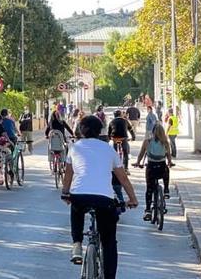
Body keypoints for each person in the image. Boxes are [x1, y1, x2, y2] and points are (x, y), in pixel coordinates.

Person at [62, 116, 138, 279]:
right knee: (109, 241)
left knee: (76, 209)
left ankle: (76, 244)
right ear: (100, 131)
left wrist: (65, 192)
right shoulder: (108, 149)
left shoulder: (74, 147)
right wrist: (133, 199)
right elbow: (123, 178)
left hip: (79, 196)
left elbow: (68, 174)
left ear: (81, 130)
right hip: (104, 199)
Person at [134, 123, 174, 221]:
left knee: (149, 188)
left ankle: (148, 210)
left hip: (151, 168)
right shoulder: (165, 142)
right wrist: (170, 162)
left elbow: (141, 154)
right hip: (161, 168)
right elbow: (169, 155)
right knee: (166, 171)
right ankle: (166, 191)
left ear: (152, 132)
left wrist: (138, 163)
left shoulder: (147, 142)